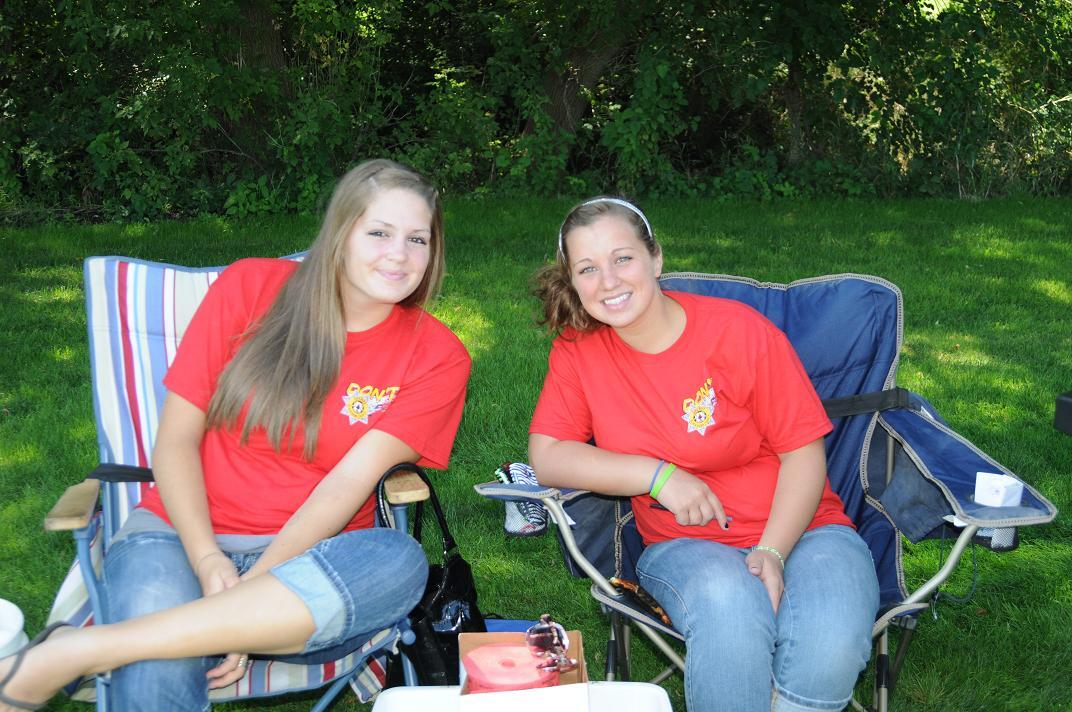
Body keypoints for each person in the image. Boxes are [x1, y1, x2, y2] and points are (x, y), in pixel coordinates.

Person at [0, 159, 471, 712]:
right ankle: (151, 640)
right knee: (157, 665)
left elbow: (346, 485)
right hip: (178, 533)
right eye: (379, 232)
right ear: (339, 233)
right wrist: (206, 560)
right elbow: (174, 439)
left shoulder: (437, 356)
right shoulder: (251, 288)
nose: (399, 254)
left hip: (312, 562)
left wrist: (248, 604)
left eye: (418, 238)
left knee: (401, 562)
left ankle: (77, 651)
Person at [528, 197, 879, 712]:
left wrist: (774, 551)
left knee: (831, 640)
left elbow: (804, 454)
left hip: (807, 528)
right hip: (686, 544)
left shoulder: (739, 332)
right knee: (730, 608)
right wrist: (658, 476)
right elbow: (549, 454)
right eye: (588, 268)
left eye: (622, 258)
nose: (608, 281)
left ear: (656, 259)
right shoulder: (578, 351)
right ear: (574, 282)